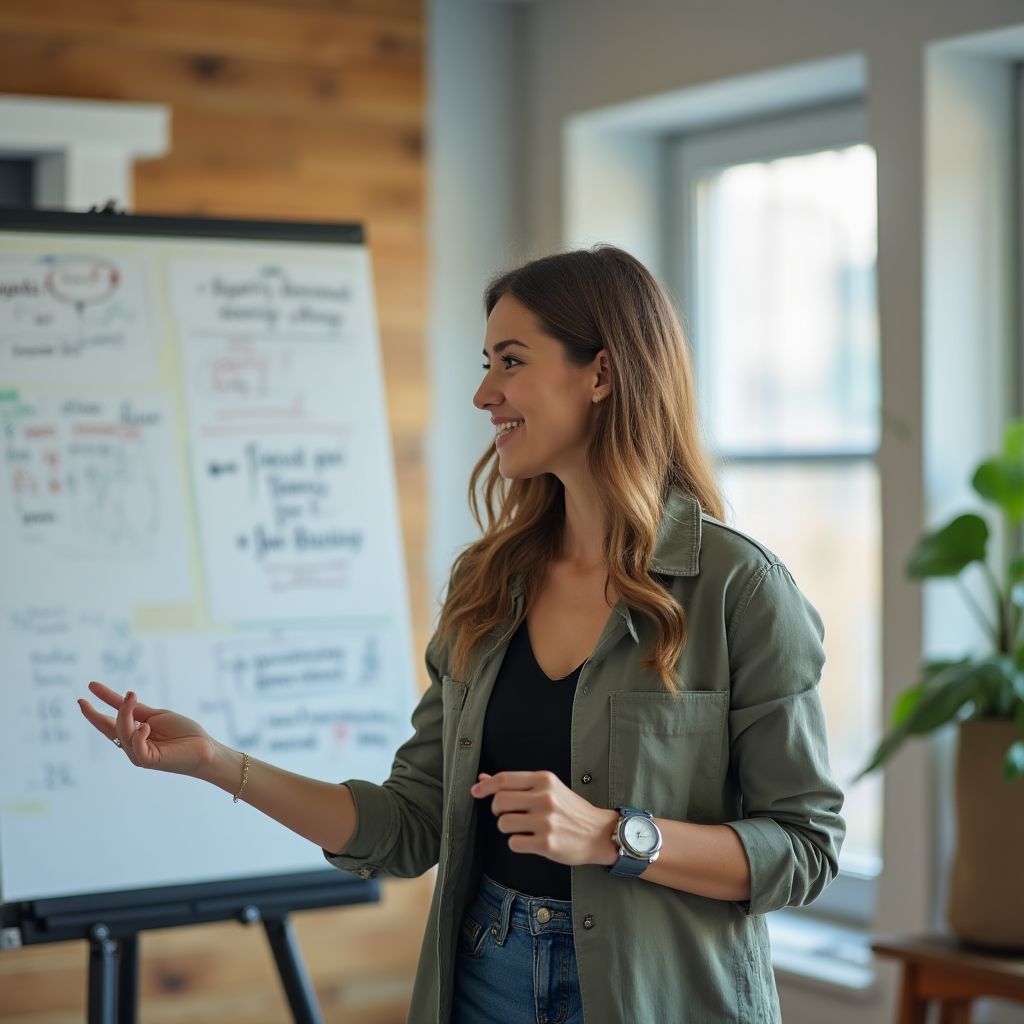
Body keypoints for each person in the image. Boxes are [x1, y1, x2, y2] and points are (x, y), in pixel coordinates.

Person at [79, 245, 845, 1024]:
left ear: (602, 375)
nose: (484, 394)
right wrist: (218, 763)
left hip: (664, 996)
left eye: (510, 362)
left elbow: (806, 849)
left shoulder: (738, 588)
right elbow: (409, 825)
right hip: (487, 979)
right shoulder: (488, 582)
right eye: (488, 364)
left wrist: (614, 836)